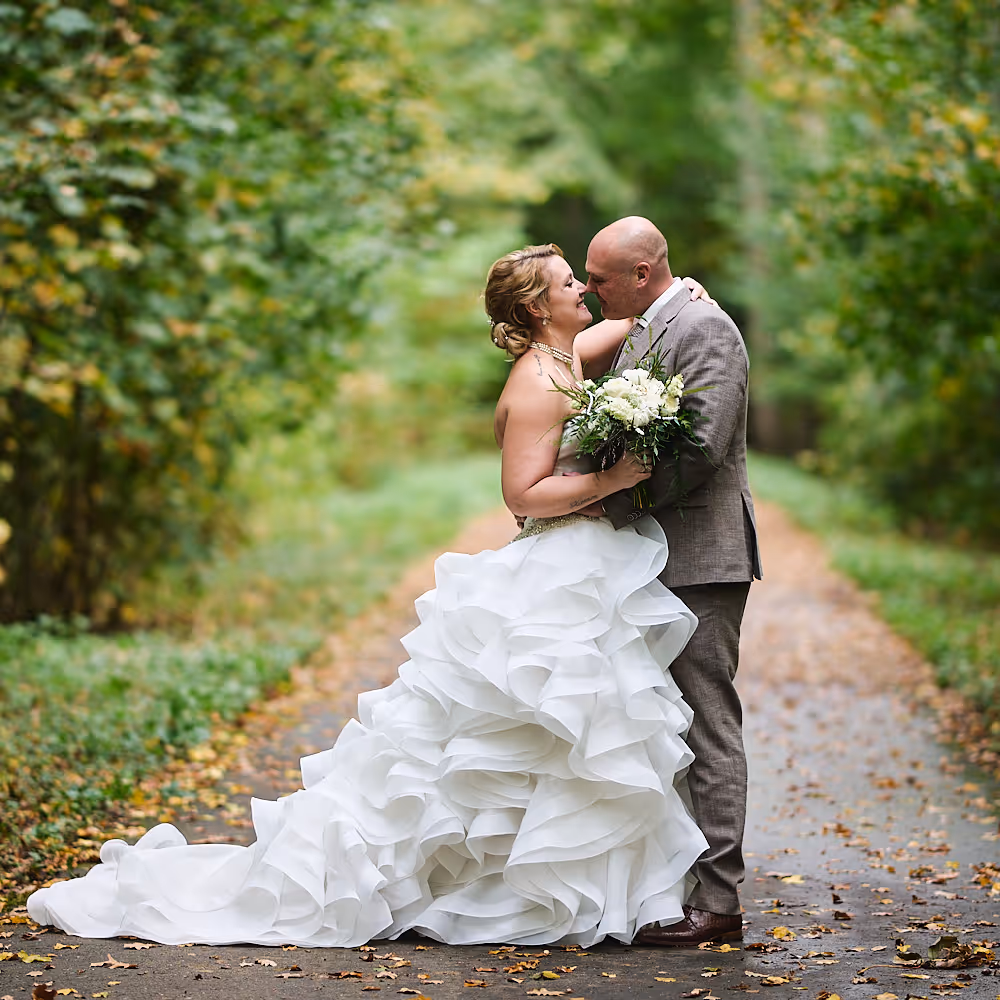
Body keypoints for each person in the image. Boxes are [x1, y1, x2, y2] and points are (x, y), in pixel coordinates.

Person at [27, 241, 719, 949]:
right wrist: (611, 479)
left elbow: (623, 329)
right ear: (540, 307)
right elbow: (522, 493)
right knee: (533, 728)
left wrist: (673, 295)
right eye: (571, 282)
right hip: (555, 565)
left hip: (585, 563)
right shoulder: (539, 381)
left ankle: (542, 881)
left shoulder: (566, 355)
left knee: (568, 733)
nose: (586, 290)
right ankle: (478, 878)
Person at [583, 216, 762, 946]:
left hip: (701, 559)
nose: (591, 292)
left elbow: (703, 447)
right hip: (653, 556)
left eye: (599, 279)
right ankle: (667, 883)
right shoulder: (648, 324)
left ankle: (719, 903)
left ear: (643, 272)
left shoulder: (705, 328)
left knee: (708, 722)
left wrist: (617, 505)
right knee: (656, 722)